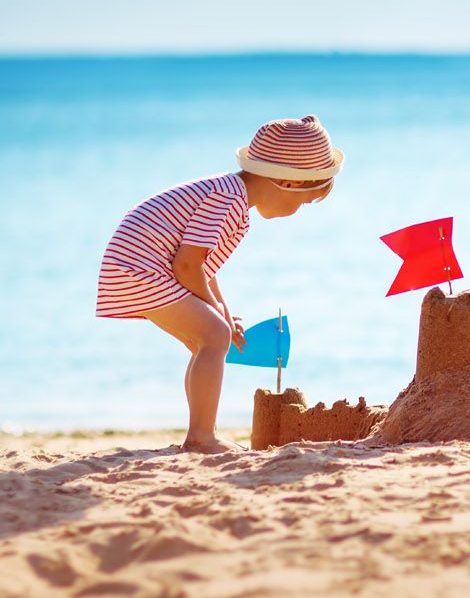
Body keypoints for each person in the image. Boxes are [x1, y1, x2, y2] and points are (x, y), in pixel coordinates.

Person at [96, 116, 343, 453]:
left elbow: (204, 267)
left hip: (142, 266)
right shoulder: (228, 201)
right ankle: (201, 437)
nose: (296, 210)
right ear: (288, 182)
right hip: (140, 268)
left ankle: (200, 432)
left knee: (209, 338)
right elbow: (186, 264)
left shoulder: (231, 196)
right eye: (301, 202)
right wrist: (216, 315)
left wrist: (222, 310)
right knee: (213, 335)